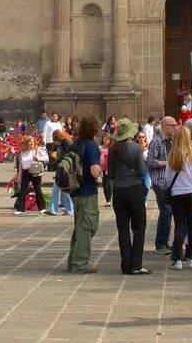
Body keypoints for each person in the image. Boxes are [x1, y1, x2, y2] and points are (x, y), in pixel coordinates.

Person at [108, 119, 150, 275]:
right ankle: (136, 264)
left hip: (119, 191)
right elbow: (142, 171)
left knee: (123, 229)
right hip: (134, 189)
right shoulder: (136, 148)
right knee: (138, 228)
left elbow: (110, 173)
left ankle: (126, 264)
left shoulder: (112, 150)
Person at [166, 118, 192, 271]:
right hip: (191, 192)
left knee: (179, 226)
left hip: (176, 194)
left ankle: (177, 259)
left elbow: (168, 178)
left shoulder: (172, 156)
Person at [66, 117, 104, 273]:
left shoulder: (75, 144)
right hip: (87, 190)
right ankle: (81, 264)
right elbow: (94, 172)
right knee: (87, 227)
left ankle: (73, 261)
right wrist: (101, 165)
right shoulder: (91, 146)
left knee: (79, 227)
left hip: (75, 190)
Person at [146, 115, 176, 256]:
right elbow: (150, 162)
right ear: (164, 127)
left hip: (171, 182)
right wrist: (168, 163)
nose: (175, 128)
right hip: (160, 182)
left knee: (169, 213)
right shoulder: (156, 142)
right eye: (172, 125)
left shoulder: (172, 141)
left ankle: (165, 242)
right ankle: (160, 243)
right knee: (166, 212)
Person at [12, 135, 47, 214]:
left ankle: (42, 208)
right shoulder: (22, 152)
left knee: (38, 190)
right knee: (23, 190)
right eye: (29, 141)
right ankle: (21, 209)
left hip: (35, 172)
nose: (31, 143)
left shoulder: (37, 150)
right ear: (26, 143)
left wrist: (38, 157)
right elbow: (20, 165)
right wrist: (19, 176)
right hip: (25, 172)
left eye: (32, 141)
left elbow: (46, 158)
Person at [46, 130, 74, 215]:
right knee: (63, 189)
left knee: (59, 188)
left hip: (63, 168)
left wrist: (58, 158)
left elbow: (67, 153)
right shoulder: (63, 142)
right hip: (62, 167)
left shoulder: (64, 142)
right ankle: (68, 209)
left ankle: (55, 209)